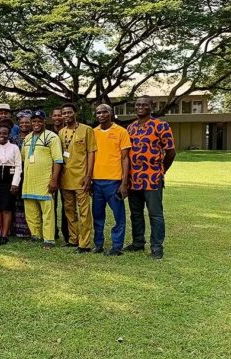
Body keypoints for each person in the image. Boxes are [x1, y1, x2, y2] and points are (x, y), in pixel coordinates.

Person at [125, 96, 176, 259]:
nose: (140, 107)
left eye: (144, 105)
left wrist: (161, 170)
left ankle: (157, 247)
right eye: (138, 104)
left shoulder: (161, 126)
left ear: (151, 107)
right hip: (134, 179)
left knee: (155, 214)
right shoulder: (130, 128)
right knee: (136, 213)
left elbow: (171, 152)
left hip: (153, 178)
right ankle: (138, 243)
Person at [92, 104, 131, 256]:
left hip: (114, 181)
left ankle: (116, 246)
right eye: (98, 113)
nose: (101, 115)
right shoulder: (93, 132)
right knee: (97, 215)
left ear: (111, 113)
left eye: (104, 112)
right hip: (96, 181)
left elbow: (125, 158)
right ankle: (98, 243)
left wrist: (124, 182)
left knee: (118, 215)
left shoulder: (121, 132)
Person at [22, 111, 63, 249]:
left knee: (47, 211)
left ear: (45, 122)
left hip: (45, 181)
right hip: (29, 181)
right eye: (34, 121)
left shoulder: (52, 137)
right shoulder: (27, 138)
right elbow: (23, 158)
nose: (36, 124)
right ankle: (36, 235)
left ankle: (49, 239)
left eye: (39, 121)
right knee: (31, 209)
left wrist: (54, 180)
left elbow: (58, 160)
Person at [59, 103, 97, 253]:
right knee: (69, 210)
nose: (66, 115)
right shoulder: (61, 132)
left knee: (84, 212)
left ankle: (84, 243)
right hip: (65, 178)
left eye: (69, 112)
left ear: (75, 113)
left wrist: (89, 176)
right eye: (64, 113)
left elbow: (91, 153)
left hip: (81, 177)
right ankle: (73, 239)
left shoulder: (86, 130)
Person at [0, 125, 22, 245]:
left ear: (9, 135)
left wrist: (15, 183)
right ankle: (1, 232)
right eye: (0, 133)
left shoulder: (14, 148)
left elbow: (18, 167)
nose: (2, 135)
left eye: (5, 133)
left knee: (7, 208)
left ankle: (5, 234)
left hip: (9, 179)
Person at [51, 107, 70, 245]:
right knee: (51, 204)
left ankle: (68, 234)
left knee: (66, 206)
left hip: (67, 174)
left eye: (60, 115)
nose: (58, 117)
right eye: (55, 115)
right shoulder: (49, 134)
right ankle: (52, 232)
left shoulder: (69, 132)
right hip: (51, 174)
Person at [12, 113, 32, 238]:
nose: (24, 125)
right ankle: (17, 230)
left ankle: (30, 229)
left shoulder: (34, 137)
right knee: (17, 200)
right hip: (17, 173)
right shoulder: (14, 139)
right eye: (22, 123)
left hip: (31, 173)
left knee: (29, 201)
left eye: (27, 122)